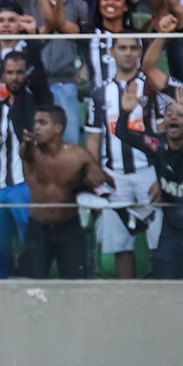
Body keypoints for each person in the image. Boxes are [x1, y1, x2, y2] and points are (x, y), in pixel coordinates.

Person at [0, 0, 88, 144]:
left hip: (65, 83)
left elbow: (86, 41)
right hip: (32, 86)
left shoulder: (78, 4)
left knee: (69, 144)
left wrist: (84, 65)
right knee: (36, 147)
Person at [85, 36, 163, 279]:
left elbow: (162, 135)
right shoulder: (99, 93)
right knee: (120, 245)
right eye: (122, 48)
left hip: (148, 174)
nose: (128, 53)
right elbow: (93, 138)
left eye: (133, 48)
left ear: (140, 51)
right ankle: (126, 300)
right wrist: (96, 174)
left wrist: (162, 176)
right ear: (112, 51)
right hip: (114, 175)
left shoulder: (152, 88)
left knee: (160, 243)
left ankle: (164, 301)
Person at [116, 84, 183, 279]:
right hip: (172, 232)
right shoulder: (157, 145)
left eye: (179, 115)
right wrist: (125, 112)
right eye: (169, 114)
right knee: (165, 285)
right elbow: (122, 133)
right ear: (164, 122)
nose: (173, 117)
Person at [19, 105, 114, 279]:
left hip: (69, 228)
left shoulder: (79, 155)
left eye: (42, 123)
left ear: (58, 128)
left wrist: (91, 182)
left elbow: (105, 180)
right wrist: (26, 142)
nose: (36, 127)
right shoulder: (31, 150)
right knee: (31, 284)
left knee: (76, 285)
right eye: (35, 123)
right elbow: (24, 152)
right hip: (38, 228)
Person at [0, 51, 35, 279]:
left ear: (27, 75)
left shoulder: (35, 105)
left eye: (19, 73)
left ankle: (35, 290)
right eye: (10, 73)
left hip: (25, 185)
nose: (14, 78)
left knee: (29, 242)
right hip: (1, 186)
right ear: (2, 76)